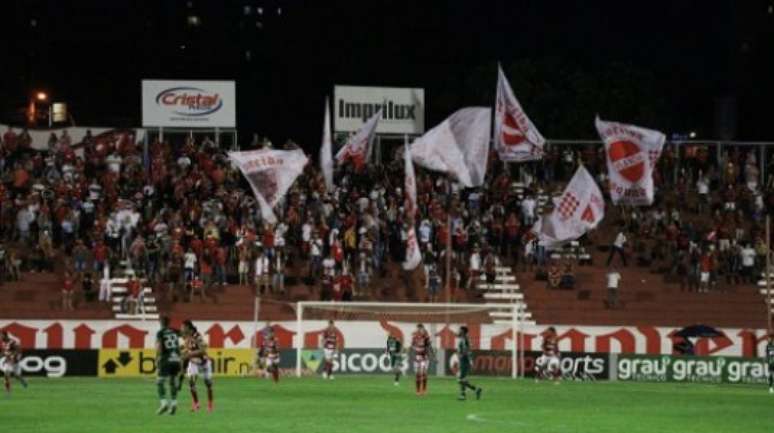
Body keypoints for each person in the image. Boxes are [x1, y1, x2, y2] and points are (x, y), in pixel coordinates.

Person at [182, 320, 214, 412]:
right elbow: (187, 348)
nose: (182, 329)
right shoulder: (187, 337)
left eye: (183, 327)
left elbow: (203, 350)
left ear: (188, 327)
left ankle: (210, 405)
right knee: (191, 383)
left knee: (208, 384)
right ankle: (196, 404)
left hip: (203, 362)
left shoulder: (197, 336)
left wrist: (189, 354)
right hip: (194, 363)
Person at [155, 316, 181, 415]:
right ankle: (174, 404)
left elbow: (159, 347)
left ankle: (164, 404)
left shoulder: (160, 332)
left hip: (166, 359)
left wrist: (158, 357)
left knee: (160, 382)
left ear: (161, 322)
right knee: (172, 382)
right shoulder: (174, 331)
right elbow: (185, 335)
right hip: (176, 359)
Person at [456, 326, 482, 401]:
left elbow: (467, 350)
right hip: (463, 361)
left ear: (463, 332)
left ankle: (476, 389)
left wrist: (462, 355)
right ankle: (463, 395)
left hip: (465, 361)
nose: (458, 331)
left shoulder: (465, 339)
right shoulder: (464, 338)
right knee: (462, 379)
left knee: (460, 379)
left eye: (460, 330)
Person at [411, 323, 433, 396]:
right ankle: (417, 391)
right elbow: (412, 346)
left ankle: (423, 390)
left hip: (424, 357)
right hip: (417, 357)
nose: (419, 330)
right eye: (418, 329)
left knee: (423, 373)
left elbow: (429, 347)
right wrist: (411, 351)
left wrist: (432, 355)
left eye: (421, 328)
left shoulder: (426, 337)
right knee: (417, 374)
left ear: (423, 329)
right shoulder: (414, 337)